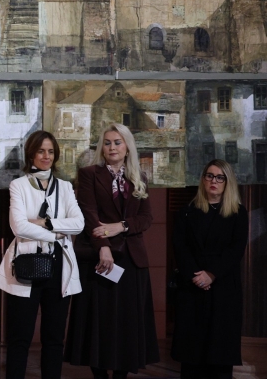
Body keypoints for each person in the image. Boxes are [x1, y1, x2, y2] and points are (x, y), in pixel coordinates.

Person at [64, 123, 159, 379]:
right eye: (107, 142)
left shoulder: (140, 176)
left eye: (117, 142)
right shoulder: (88, 174)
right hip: (99, 258)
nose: (112, 147)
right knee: (100, 323)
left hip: (132, 260)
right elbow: (89, 214)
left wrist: (122, 226)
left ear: (127, 147)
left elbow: (147, 218)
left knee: (127, 326)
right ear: (101, 147)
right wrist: (104, 246)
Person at [0, 131, 85, 379]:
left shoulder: (65, 187)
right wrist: (56, 233)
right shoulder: (19, 185)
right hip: (26, 266)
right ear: (31, 154)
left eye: (51, 151)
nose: (46, 156)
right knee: (19, 338)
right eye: (41, 151)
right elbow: (19, 226)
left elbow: (78, 224)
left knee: (54, 338)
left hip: (59, 268)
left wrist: (45, 224)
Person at [171, 160, 249, 379]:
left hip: (224, 289)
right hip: (193, 286)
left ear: (227, 182)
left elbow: (236, 249)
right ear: (203, 180)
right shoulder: (186, 212)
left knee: (220, 355)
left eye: (220, 177)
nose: (214, 181)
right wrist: (197, 276)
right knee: (192, 357)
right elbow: (180, 247)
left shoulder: (238, 213)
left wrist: (212, 274)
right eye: (209, 176)